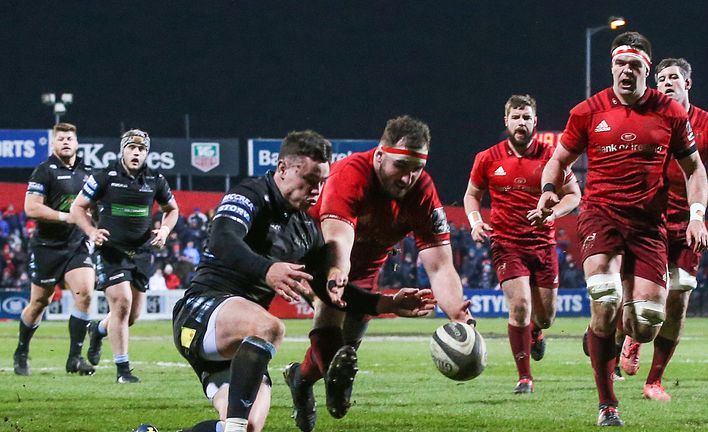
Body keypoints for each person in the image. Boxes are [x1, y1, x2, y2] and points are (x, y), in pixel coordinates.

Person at [171, 130, 436, 432]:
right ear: (282, 169)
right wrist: (266, 269)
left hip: (242, 342)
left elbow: (330, 288)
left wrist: (386, 302)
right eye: (309, 180)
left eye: (322, 182)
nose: (316, 190)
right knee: (270, 327)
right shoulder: (251, 194)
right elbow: (222, 238)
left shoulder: (306, 230)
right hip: (200, 312)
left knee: (249, 428)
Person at [537, 32, 708, 426]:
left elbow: (695, 169)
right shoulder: (587, 111)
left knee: (646, 323)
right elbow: (558, 160)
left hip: (649, 225)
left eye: (635, 65)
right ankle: (607, 404)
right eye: (620, 64)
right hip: (602, 215)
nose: (626, 71)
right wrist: (548, 190)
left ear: (646, 70)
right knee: (605, 290)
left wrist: (697, 214)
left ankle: (611, 333)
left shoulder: (670, 113)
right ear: (612, 66)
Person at [286, 115, 473, 432]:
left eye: (417, 168)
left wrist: (457, 312)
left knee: (345, 353)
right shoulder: (350, 175)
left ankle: (300, 379)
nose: (408, 178)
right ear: (380, 154)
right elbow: (337, 239)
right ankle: (316, 381)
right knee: (331, 314)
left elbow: (440, 264)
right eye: (401, 166)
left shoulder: (423, 192)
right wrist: (336, 275)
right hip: (320, 255)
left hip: (365, 271)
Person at [620, 57, 708, 401]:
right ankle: (630, 336)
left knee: (678, 300)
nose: (667, 82)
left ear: (687, 84)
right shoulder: (644, 120)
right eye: (661, 78)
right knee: (634, 308)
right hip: (647, 222)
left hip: (688, 223)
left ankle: (653, 381)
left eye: (674, 77)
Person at [463, 94, 581, 393]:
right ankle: (525, 377)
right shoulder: (487, 158)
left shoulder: (552, 158)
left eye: (527, 117)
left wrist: (552, 213)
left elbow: (573, 196)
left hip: (543, 244)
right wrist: (476, 221)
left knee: (546, 317)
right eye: (516, 117)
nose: (521, 123)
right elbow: (471, 195)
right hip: (506, 243)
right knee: (519, 308)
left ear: (535, 121)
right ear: (506, 120)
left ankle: (537, 332)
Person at [70, 129, 179, 383]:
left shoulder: (156, 179)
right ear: (123, 149)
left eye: (141, 149)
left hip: (141, 252)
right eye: (132, 147)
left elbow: (172, 210)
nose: (136, 152)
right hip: (110, 250)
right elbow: (77, 207)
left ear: (147, 153)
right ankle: (123, 371)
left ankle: (97, 331)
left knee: (131, 316)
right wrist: (91, 231)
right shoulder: (105, 176)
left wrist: (164, 229)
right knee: (122, 302)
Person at [13, 122, 96, 376]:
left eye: (70, 138)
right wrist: (67, 217)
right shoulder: (43, 171)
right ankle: (22, 350)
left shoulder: (88, 172)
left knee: (84, 293)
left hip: (76, 245)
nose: (66, 142)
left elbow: (96, 204)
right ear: (53, 143)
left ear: (77, 142)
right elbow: (31, 208)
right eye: (61, 139)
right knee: (40, 301)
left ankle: (74, 358)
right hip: (47, 247)